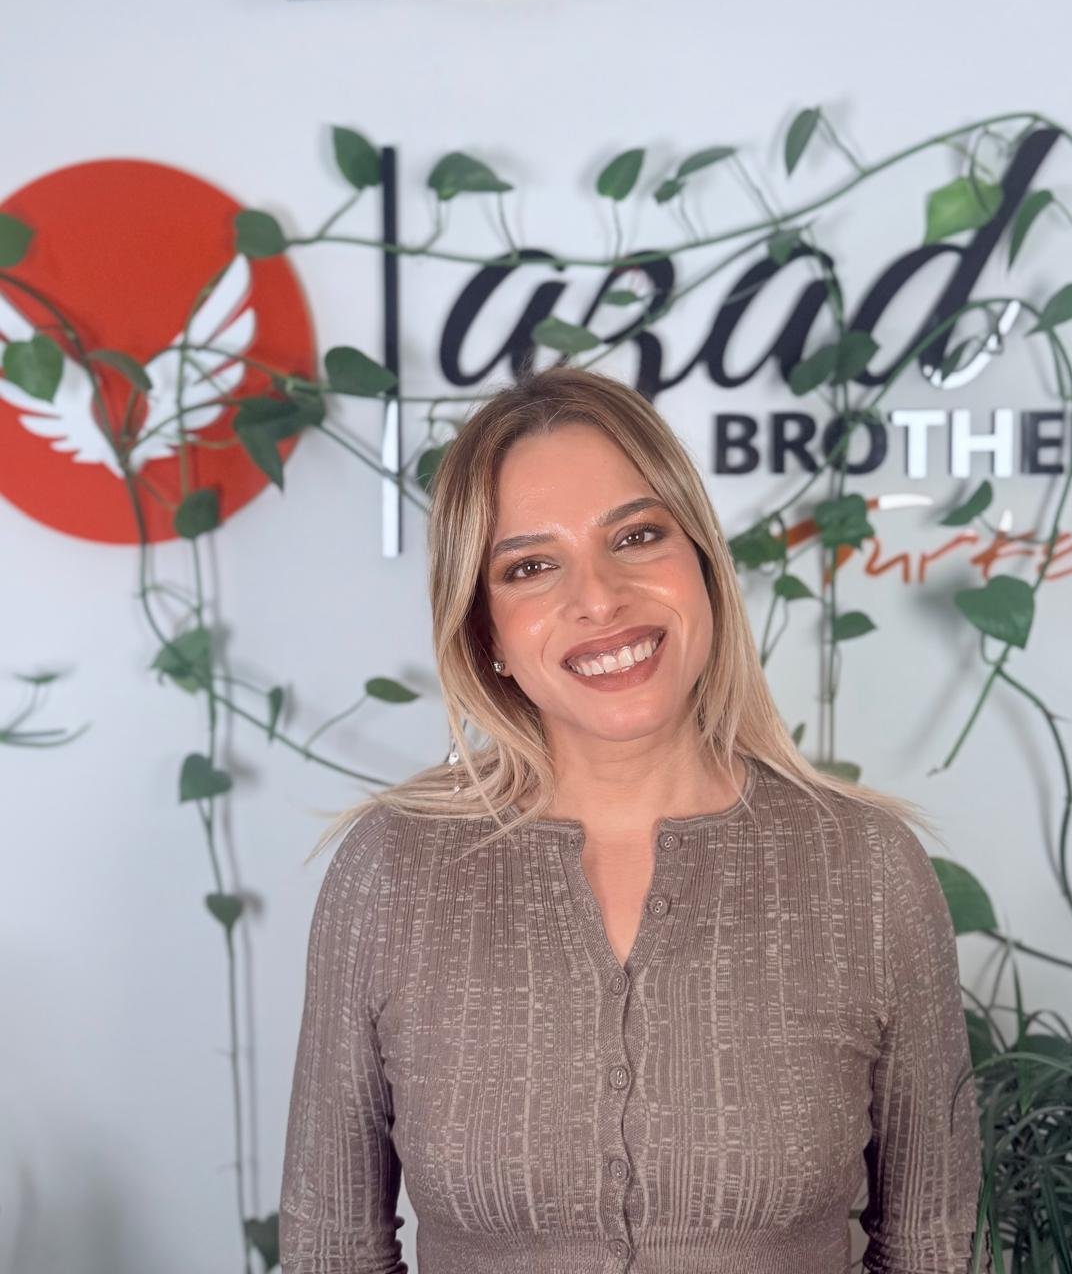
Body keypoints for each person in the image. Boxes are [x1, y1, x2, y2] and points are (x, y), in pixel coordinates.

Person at [279, 364, 989, 1273]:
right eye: (530, 566)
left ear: (702, 565)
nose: (598, 597)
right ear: (486, 632)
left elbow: (931, 1244)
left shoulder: (865, 868)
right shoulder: (391, 871)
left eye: (637, 536)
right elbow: (332, 1247)